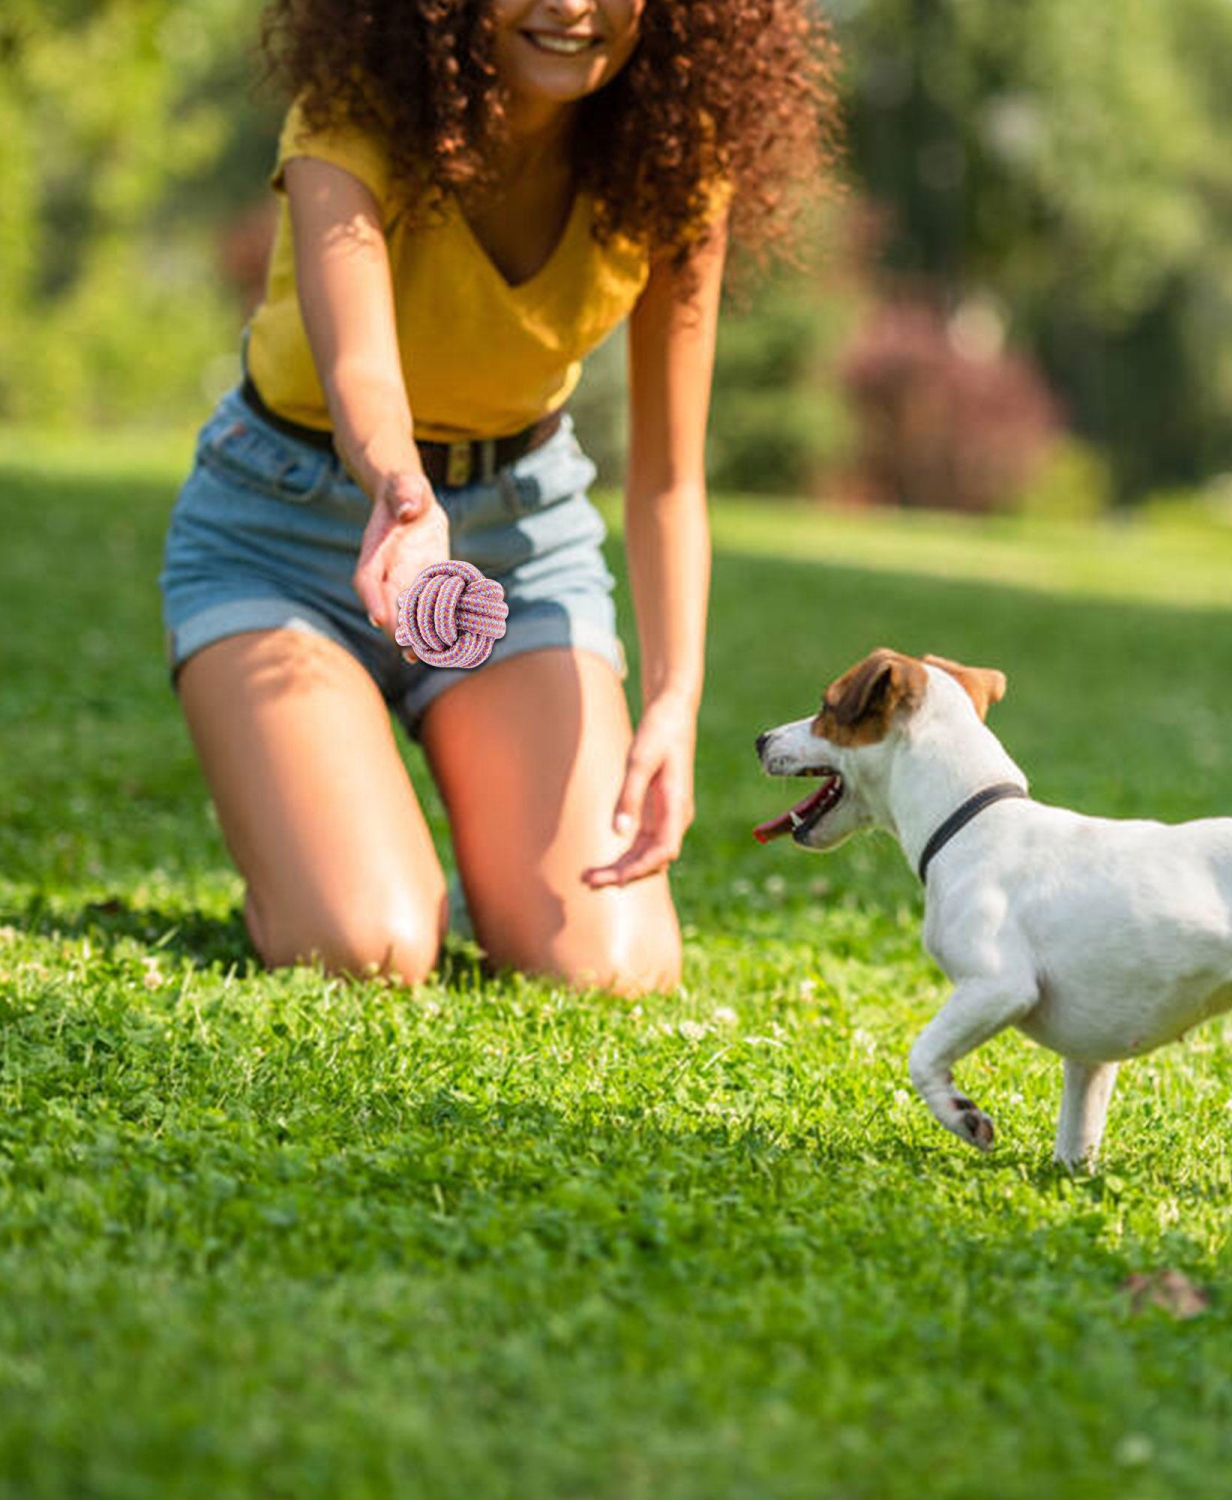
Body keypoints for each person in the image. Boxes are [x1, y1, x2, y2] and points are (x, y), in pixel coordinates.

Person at [158, 0, 836, 994]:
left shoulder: (676, 156)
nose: (571, 5)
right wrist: (403, 497)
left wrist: (674, 702)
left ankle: (475, 868)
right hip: (285, 531)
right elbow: (364, 381)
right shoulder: (352, 111)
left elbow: (669, 476)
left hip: (518, 548)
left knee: (613, 966)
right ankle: (321, 855)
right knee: (366, 945)